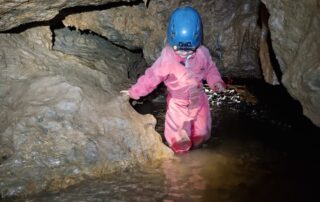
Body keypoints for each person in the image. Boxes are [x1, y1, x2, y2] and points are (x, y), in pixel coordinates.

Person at [121, 6, 226, 153]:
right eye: (179, 49)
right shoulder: (167, 58)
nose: (184, 53)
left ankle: (197, 150)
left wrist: (216, 82)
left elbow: (210, 69)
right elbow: (152, 77)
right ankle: (180, 156)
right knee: (178, 137)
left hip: (199, 100)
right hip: (178, 103)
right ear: (171, 39)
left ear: (197, 41)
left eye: (189, 49)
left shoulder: (203, 53)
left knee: (202, 134)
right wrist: (134, 92)